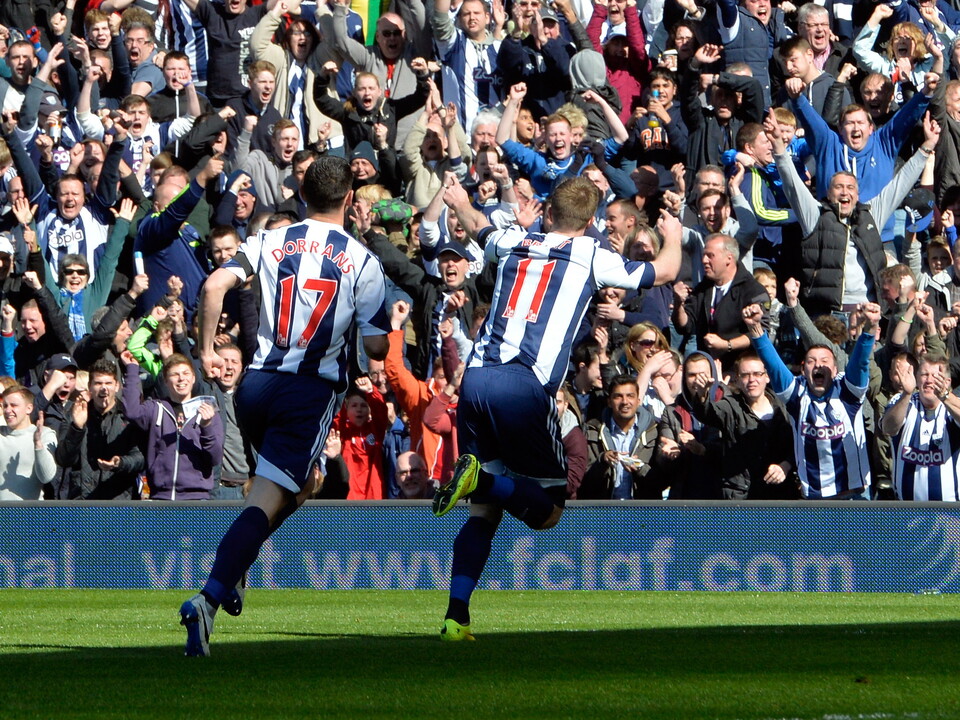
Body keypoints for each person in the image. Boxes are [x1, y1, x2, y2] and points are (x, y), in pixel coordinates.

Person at [431, 175, 681, 641]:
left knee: (483, 513)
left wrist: (460, 200)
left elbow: (479, 227)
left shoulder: (512, 240)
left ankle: (455, 617)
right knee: (547, 512)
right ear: (589, 221)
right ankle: (479, 479)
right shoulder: (592, 254)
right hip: (524, 387)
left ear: (547, 213)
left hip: (476, 380)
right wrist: (675, 232)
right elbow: (664, 272)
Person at [178, 155, 389, 656]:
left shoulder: (270, 239)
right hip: (306, 393)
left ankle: (235, 565)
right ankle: (209, 597)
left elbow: (213, 285)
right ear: (350, 199)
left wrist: (206, 350)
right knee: (272, 498)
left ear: (303, 194)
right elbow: (377, 347)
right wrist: (385, 327)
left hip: (255, 387)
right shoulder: (362, 261)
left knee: (300, 484)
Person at [742, 300, 880, 500]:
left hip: (853, 495)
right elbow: (773, 365)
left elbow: (860, 363)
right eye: (811, 361)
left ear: (835, 370)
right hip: (815, 500)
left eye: (825, 361)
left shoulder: (847, 391)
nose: (818, 365)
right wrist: (755, 328)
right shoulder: (796, 394)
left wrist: (870, 327)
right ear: (803, 369)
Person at [882, 352, 960, 501]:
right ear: (917, 379)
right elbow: (888, 428)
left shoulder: (954, 405)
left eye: (936, 376)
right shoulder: (902, 401)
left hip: (950, 511)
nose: (929, 380)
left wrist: (945, 396)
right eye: (924, 375)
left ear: (947, 382)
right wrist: (906, 394)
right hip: (908, 509)